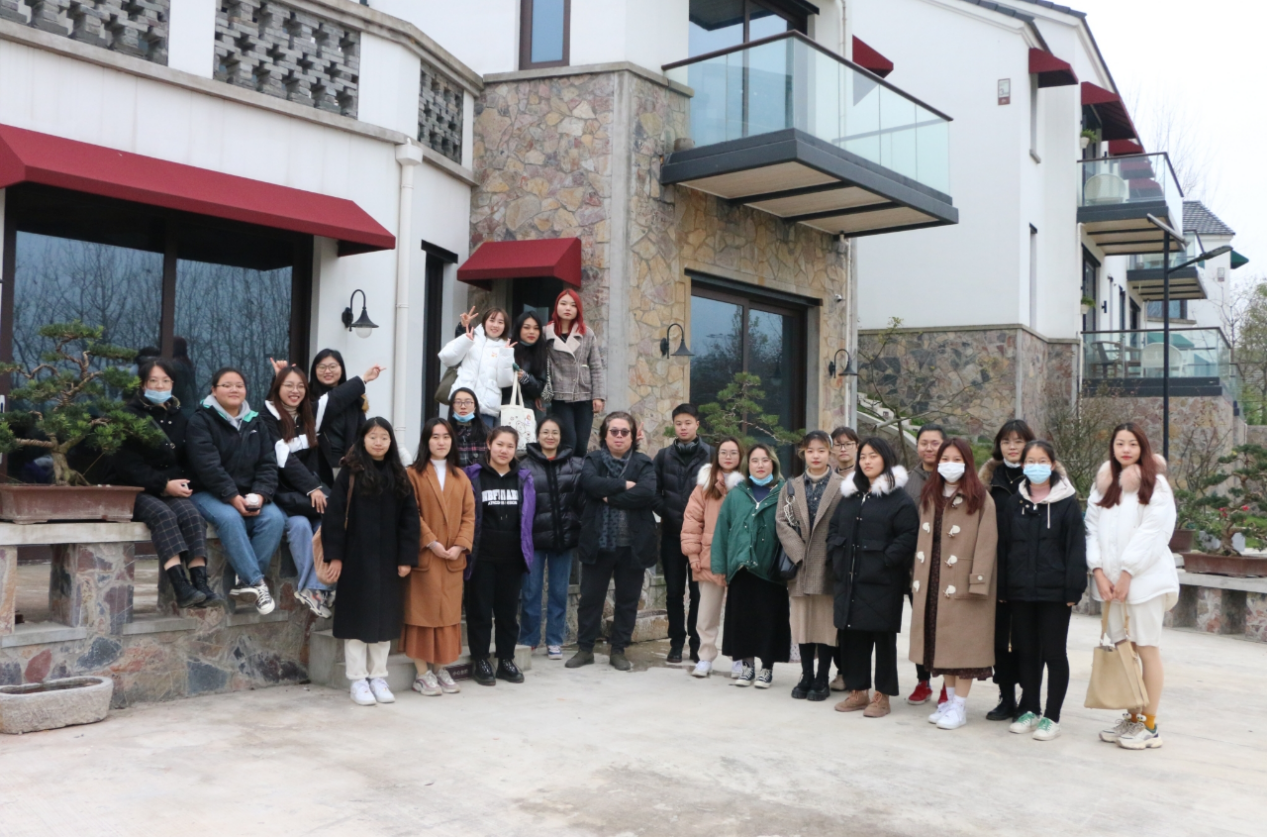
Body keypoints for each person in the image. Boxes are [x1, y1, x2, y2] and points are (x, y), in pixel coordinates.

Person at [1086, 423, 1177, 751]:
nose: (1125, 449)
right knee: (1125, 650)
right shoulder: (1104, 484)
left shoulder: (1156, 485)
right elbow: (1091, 528)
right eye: (1120, 443)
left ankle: (1149, 725)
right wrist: (1098, 571)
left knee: (1146, 648)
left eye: (1133, 444)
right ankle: (1133, 716)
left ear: (1142, 447)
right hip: (1110, 586)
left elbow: (1153, 534)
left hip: (1145, 583)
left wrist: (1127, 573)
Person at [321, 418, 420, 706]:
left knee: (384, 622)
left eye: (384, 438)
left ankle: (378, 677)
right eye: (373, 437)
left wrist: (406, 558)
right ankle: (357, 680)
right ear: (362, 440)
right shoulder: (350, 473)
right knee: (356, 621)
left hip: (389, 560)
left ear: (391, 442)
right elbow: (334, 517)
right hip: (355, 559)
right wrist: (335, 557)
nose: (378, 442)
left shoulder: (399, 474)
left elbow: (410, 519)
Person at [111, 359, 218, 609]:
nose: (160, 386)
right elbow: (127, 466)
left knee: (193, 516)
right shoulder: (128, 417)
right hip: (135, 490)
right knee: (163, 516)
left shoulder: (181, 417)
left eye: (165, 381)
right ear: (142, 384)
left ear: (173, 384)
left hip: (169, 489)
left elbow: (188, 459)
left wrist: (182, 483)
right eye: (153, 381)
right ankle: (181, 586)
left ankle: (201, 583)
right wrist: (164, 484)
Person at [999, 440, 1086, 741]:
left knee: (1054, 653)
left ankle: (1052, 716)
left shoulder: (1067, 502)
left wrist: (1073, 588)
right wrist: (1004, 587)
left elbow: (1076, 548)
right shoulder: (1015, 503)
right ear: (1023, 465)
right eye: (1030, 461)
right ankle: (1030, 709)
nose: (1036, 466)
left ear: (1051, 465)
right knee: (1027, 652)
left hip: (1055, 593)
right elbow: (1004, 547)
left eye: (1042, 461)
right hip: (1021, 591)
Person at [911, 438, 998, 731]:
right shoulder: (931, 494)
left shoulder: (980, 497)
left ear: (967, 463)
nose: (950, 464)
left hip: (962, 581)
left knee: (964, 648)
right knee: (942, 645)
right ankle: (948, 701)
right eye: (945, 459)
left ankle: (959, 706)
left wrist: (978, 581)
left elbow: (987, 544)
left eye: (957, 459)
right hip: (933, 579)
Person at [829, 437, 918, 718]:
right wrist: (837, 557)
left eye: (873, 456)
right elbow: (834, 529)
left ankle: (882, 696)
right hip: (850, 579)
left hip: (882, 582)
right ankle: (858, 691)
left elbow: (908, 535)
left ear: (886, 459)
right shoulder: (851, 495)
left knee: (883, 640)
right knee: (852, 636)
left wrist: (884, 560)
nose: (867, 461)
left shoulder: (898, 499)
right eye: (863, 456)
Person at [186, 367, 285, 615]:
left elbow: (268, 463)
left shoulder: (256, 422)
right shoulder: (200, 421)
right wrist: (232, 496)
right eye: (227, 385)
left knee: (274, 518)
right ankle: (257, 583)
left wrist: (260, 494)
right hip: (207, 492)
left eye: (239, 385)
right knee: (230, 518)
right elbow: (208, 466)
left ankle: (244, 582)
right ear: (213, 390)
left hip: (248, 492)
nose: (234, 390)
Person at [567, 412, 657, 672]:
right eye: (613, 431)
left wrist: (610, 496)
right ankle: (585, 649)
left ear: (632, 436)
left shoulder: (643, 463)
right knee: (590, 599)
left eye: (624, 432)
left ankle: (618, 650)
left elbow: (646, 492)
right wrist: (624, 484)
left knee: (627, 600)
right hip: (598, 543)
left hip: (633, 546)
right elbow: (590, 483)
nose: (619, 436)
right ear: (604, 435)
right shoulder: (593, 460)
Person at [404, 418, 475, 696]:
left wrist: (460, 545)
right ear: (426, 441)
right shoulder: (413, 474)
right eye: (435, 437)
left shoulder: (461, 476)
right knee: (421, 615)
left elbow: (469, 515)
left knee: (447, 616)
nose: (441, 442)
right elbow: (411, 513)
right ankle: (422, 673)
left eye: (446, 436)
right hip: (426, 556)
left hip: (452, 559)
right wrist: (431, 542)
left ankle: (440, 668)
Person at [711, 444, 790, 689]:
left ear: (773, 463)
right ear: (748, 465)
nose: (760, 465)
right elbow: (722, 530)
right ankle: (747, 667)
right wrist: (720, 566)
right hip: (741, 568)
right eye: (755, 460)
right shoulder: (737, 494)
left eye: (765, 460)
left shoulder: (784, 492)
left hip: (770, 570)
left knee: (768, 620)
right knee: (742, 620)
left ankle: (766, 668)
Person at [260, 365, 335, 618]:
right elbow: (284, 460)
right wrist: (312, 487)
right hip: (284, 495)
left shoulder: (308, 417)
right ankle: (315, 588)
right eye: (288, 385)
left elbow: (336, 399)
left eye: (300, 386)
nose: (295, 391)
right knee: (300, 525)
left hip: (305, 496)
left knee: (324, 525)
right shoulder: (267, 418)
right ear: (277, 388)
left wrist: (364, 379)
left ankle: (316, 587)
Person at [463, 426, 535, 686]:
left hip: (512, 557)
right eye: (499, 444)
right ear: (489, 444)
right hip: (481, 556)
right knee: (480, 612)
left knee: (507, 613)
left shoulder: (523, 478)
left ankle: (506, 659)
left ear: (516, 449)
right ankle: (481, 659)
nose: (504, 450)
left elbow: (529, 518)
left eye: (510, 446)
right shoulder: (472, 475)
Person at [777, 431, 844, 701]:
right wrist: (799, 554)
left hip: (829, 566)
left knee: (826, 626)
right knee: (803, 624)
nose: (815, 456)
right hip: (801, 567)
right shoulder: (791, 487)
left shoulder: (842, 487)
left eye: (821, 450)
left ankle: (822, 678)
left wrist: (833, 554)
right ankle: (806, 675)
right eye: (810, 450)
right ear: (802, 453)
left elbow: (846, 523)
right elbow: (783, 521)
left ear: (830, 453)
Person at [978, 418, 1036, 721]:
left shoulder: (1040, 476)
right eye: (1006, 441)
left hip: (1031, 570)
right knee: (1000, 639)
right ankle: (1006, 696)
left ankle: (1029, 698)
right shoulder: (989, 480)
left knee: (1028, 639)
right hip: (996, 569)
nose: (1012, 447)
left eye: (1018, 441)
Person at [681, 436, 745, 679]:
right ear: (717, 457)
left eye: (733, 452)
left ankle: (739, 658)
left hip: (740, 559)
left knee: (738, 612)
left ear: (740, 456)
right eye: (724, 452)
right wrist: (693, 554)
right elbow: (692, 521)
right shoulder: (705, 485)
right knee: (707, 612)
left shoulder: (749, 485)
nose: (728, 456)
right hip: (710, 555)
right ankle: (705, 657)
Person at [519, 416, 583, 660]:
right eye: (545, 432)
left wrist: (575, 522)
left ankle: (555, 640)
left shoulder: (574, 465)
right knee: (531, 591)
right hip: (533, 540)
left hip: (563, 539)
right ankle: (529, 639)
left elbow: (581, 500)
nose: (550, 436)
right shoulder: (524, 466)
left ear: (560, 436)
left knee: (558, 591)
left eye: (554, 432)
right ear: (538, 435)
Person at [653, 404, 713, 664]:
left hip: (702, 537)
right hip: (671, 534)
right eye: (679, 423)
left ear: (697, 424)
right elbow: (652, 490)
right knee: (674, 592)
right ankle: (676, 643)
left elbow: (719, 491)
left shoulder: (711, 455)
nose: (683, 427)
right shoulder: (663, 456)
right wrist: (667, 512)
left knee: (699, 594)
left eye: (688, 422)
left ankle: (696, 644)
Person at [904, 423, 946, 706]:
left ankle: (948, 683)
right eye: (924, 443)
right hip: (916, 567)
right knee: (920, 625)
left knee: (945, 626)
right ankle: (923, 680)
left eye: (935, 443)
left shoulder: (955, 478)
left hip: (946, 566)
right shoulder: (907, 481)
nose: (929, 448)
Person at [306, 350, 384, 486]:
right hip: (316, 470)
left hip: (348, 468)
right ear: (314, 370)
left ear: (341, 369)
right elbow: (331, 402)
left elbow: (362, 434)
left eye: (332, 366)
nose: (327, 371)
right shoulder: (307, 398)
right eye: (322, 367)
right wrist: (362, 379)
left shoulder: (354, 400)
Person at [543, 289, 606, 453]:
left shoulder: (587, 333)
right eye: (563, 303)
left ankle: (579, 470)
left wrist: (598, 396)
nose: (567, 308)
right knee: (568, 441)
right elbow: (539, 363)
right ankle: (566, 469)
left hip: (584, 394)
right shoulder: (546, 333)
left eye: (573, 305)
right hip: (560, 394)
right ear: (556, 306)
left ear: (578, 309)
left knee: (582, 444)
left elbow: (596, 366)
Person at [439, 307, 514, 428]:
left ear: (505, 326)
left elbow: (505, 381)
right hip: (462, 404)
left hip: (486, 409)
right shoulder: (472, 337)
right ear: (484, 321)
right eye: (492, 320)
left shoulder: (506, 348)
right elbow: (447, 358)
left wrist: (506, 355)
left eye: (500, 322)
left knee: (483, 440)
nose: (495, 325)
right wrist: (464, 336)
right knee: (458, 439)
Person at [500, 310, 550, 421]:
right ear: (519, 329)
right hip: (503, 406)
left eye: (536, 328)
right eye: (526, 327)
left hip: (526, 409)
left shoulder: (541, 352)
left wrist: (526, 378)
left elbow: (541, 388)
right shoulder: (507, 347)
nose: (532, 332)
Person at [449, 387, 489, 467]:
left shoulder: (486, 433)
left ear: (475, 407)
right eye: (458, 402)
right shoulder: (446, 432)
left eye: (468, 402)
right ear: (452, 407)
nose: (463, 406)